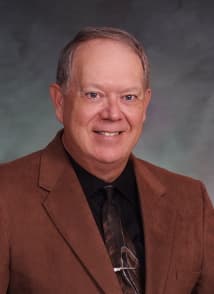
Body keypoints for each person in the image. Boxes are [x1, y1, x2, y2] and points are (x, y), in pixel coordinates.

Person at [0, 27, 213, 294]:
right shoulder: (5, 196)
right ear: (59, 102)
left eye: (128, 97)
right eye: (93, 95)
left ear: (145, 105)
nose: (113, 113)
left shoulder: (191, 201)